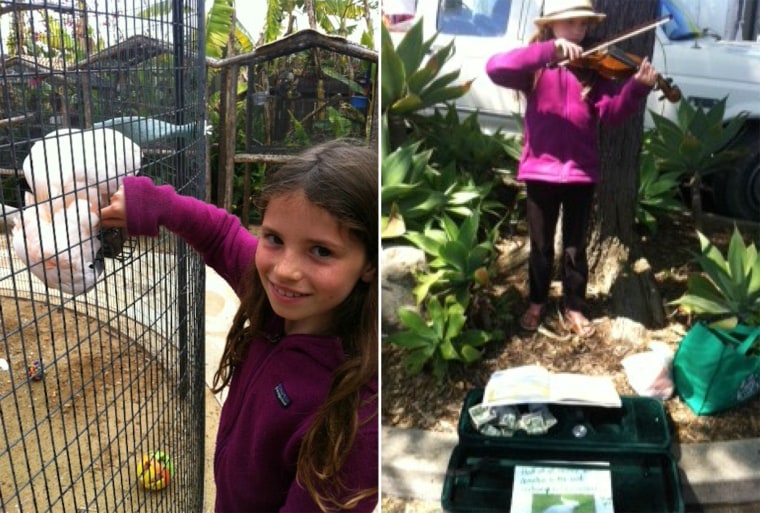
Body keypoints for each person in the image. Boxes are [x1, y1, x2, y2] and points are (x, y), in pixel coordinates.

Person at [100, 140, 378, 512]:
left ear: (371, 264)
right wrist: (154, 204)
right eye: (274, 239)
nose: (284, 270)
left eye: (321, 251)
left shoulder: (358, 416)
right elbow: (221, 234)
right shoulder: (272, 301)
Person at [485, 0, 658, 338]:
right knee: (539, 245)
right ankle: (536, 302)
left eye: (583, 25)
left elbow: (612, 114)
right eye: (570, 23)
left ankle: (574, 306)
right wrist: (547, 51)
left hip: (581, 173)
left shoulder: (594, 69)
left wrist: (636, 88)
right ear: (551, 26)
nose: (578, 31)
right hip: (539, 171)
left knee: (575, 247)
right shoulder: (536, 66)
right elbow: (495, 68)